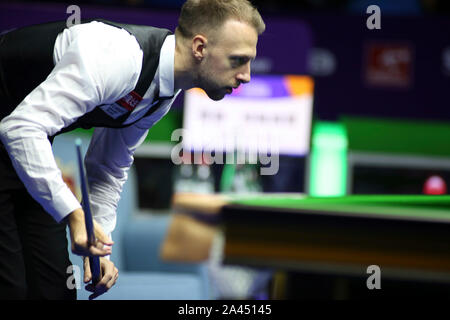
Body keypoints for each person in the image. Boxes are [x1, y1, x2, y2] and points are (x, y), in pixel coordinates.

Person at [0, 0, 265, 299]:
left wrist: (97, 246)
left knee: (54, 290)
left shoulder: (161, 91)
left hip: (20, 150)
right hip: (15, 133)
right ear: (200, 48)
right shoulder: (119, 57)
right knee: (11, 288)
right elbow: (20, 127)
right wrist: (74, 215)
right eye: (237, 60)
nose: (246, 75)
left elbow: (107, 167)